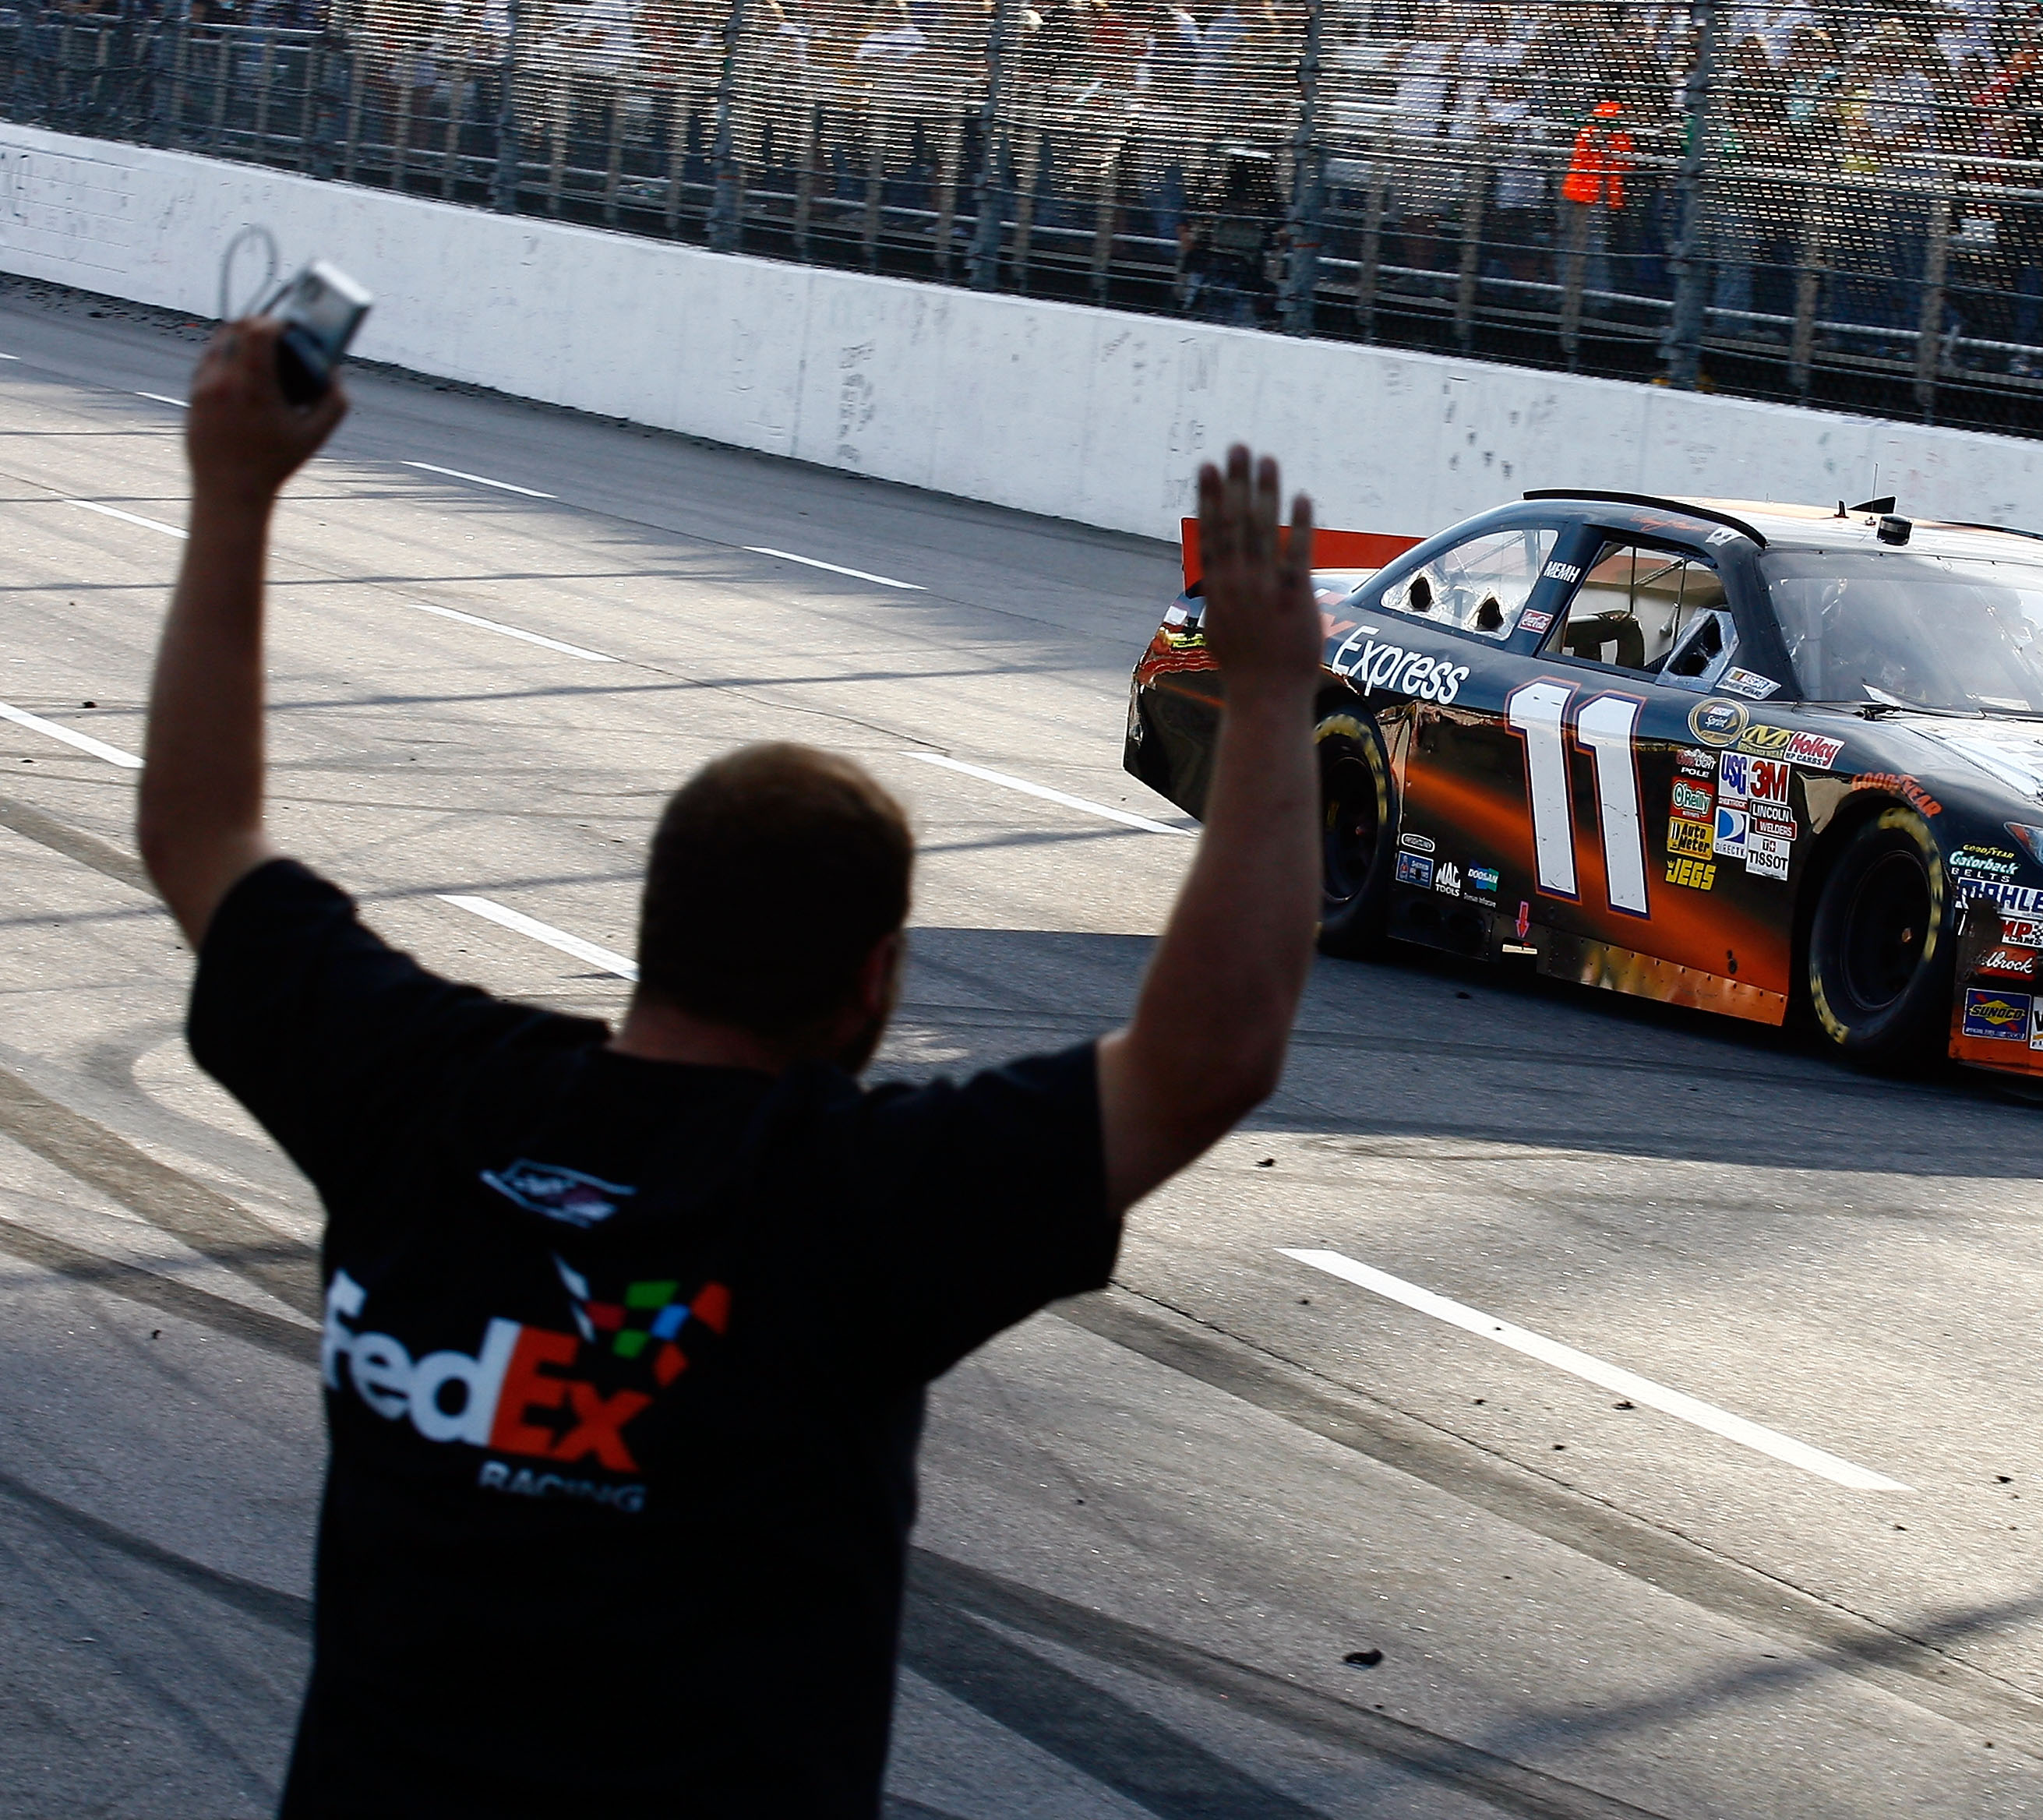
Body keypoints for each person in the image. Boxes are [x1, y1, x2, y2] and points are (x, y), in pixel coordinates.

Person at [134, 319, 1324, 1818]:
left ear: (652, 926)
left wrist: (232, 495)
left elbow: (199, 843)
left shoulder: (423, 1090)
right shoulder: (852, 1202)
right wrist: (1275, 697)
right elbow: (1212, 1051)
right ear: (875, 979)